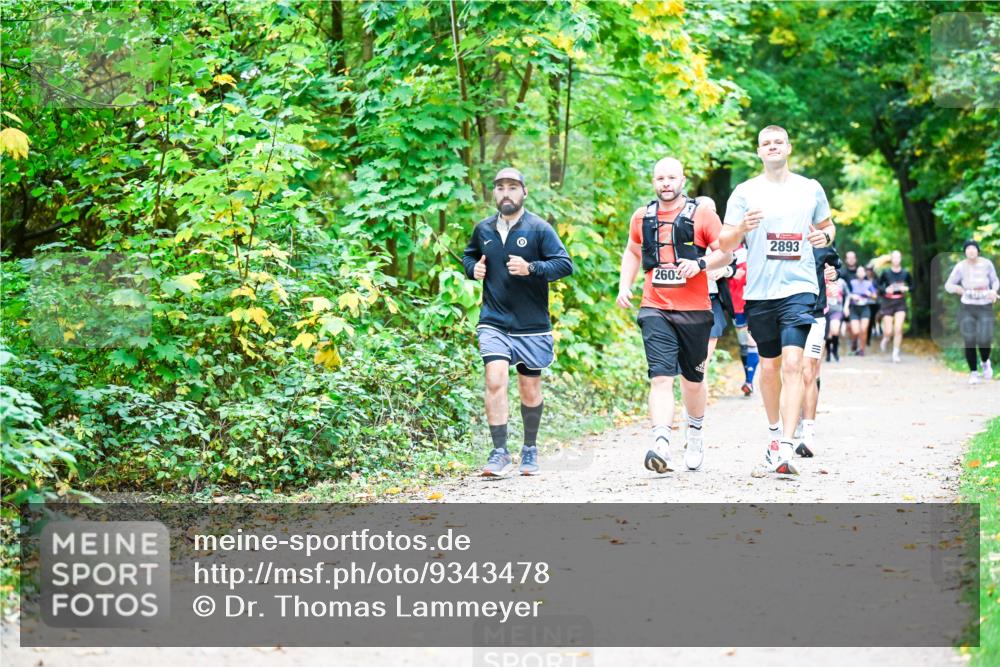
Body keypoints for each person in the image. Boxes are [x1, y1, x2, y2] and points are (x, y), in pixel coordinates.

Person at [720, 124, 836, 476]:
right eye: (766, 143)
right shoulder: (744, 192)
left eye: (778, 142)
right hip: (760, 293)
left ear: (788, 147)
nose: (772, 147)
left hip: (800, 289)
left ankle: (787, 445)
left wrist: (825, 238)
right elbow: (724, 243)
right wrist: (742, 228)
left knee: (793, 364)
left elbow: (828, 227)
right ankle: (774, 436)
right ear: (759, 151)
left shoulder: (810, 188)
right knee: (769, 368)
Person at [616, 157, 732, 474]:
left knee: (692, 381)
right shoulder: (642, 217)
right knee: (661, 377)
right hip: (655, 307)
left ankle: (695, 432)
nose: (665, 183)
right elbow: (632, 251)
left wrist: (700, 264)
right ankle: (661, 443)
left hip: (695, 310)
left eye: (671, 178)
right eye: (660, 178)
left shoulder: (703, 214)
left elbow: (726, 252)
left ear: (682, 180)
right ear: (654, 182)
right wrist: (625, 285)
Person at [462, 167, 574, 476]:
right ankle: (499, 452)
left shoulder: (539, 229)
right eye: (500, 187)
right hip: (494, 320)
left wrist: (532, 268)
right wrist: (473, 269)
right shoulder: (483, 229)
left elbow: (564, 265)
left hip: (531, 325)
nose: (506, 193)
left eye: (512, 187)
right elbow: (469, 256)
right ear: (494, 193)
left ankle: (529, 449)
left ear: (524, 192)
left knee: (529, 388)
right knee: (494, 379)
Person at [798, 248, 841, 457]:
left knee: (809, 371)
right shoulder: (778, 235)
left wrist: (834, 274)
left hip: (816, 314)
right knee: (791, 370)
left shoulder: (821, 243)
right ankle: (791, 420)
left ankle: (807, 432)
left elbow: (836, 267)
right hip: (786, 313)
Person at [945, 240, 999, 384]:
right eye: (968, 248)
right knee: (969, 340)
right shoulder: (960, 266)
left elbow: (995, 280)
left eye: (973, 248)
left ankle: (985, 362)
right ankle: (973, 372)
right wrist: (958, 289)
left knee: (984, 339)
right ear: (965, 252)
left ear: (978, 251)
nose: (971, 251)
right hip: (967, 307)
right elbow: (948, 285)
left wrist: (993, 291)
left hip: (985, 306)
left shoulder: (987, 264)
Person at [729, 243, 759, 395]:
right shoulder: (723, 251)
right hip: (736, 304)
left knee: (751, 340)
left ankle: (749, 381)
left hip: (754, 303)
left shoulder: (750, 250)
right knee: (743, 344)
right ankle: (749, 380)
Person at [877, 250, 913, 363]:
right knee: (888, 331)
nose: (896, 260)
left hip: (900, 302)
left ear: (900, 259)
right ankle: (886, 338)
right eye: (894, 258)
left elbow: (913, 286)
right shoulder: (886, 272)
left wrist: (907, 288)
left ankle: (895, 353)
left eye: (898, 257)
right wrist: (885, 289)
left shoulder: (905, 273)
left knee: (898, 328)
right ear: (891, 259)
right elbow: (878, 286)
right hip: (888, 302)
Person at [847, 266, 877, 356]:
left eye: (862, 271)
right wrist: (852, 296)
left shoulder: (869, 284)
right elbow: (846, 294)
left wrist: (870, 294)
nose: (860, 273)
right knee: (855, 331)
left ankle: (862, 349)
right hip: (854, 308)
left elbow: (875, 297)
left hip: (865, 308)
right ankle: (854, 343)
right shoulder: (852, 282)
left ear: (865, 273)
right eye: (859, 271)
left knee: (864, 329)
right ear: (856, 273)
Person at [825, 267, 849, 362]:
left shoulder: (842, 282)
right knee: (828, 334)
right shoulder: (823, 281)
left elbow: (848, 295)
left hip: (837, 310)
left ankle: (835, 351)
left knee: (835, 330)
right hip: (825, 311)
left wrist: (846, 307)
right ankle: (828, 353)